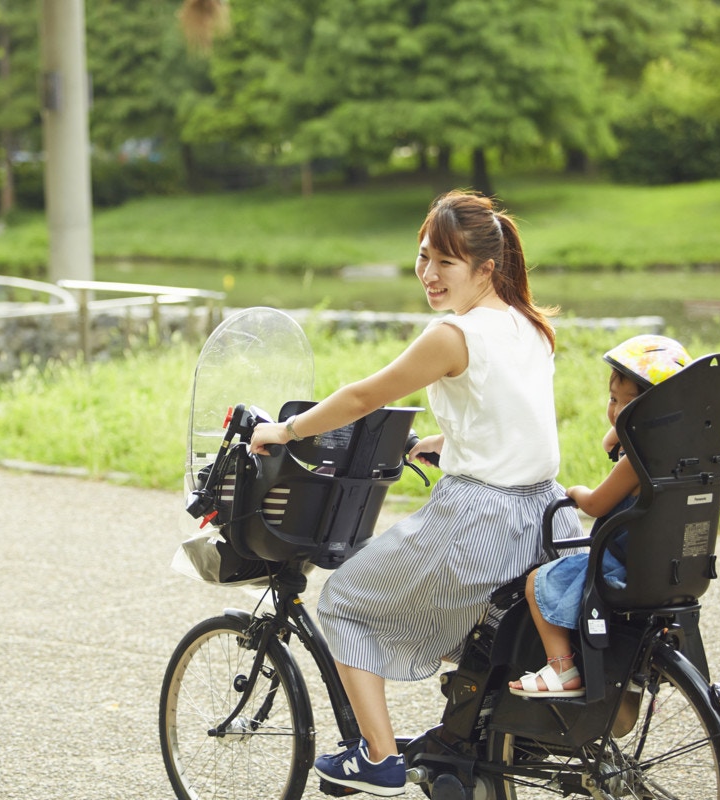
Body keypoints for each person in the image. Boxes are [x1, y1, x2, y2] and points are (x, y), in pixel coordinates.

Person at [248, 189, 582, 797]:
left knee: (346, 599)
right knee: (474, 633)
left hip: (482, 523)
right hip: (545, 517)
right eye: (423, 256)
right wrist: (447, 441)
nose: (429, 273)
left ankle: (378, 758)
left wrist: (287, 430)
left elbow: (362, 397)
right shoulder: (530, 325)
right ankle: (470, 743)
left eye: (445, 262)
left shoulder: (453, 334)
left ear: (486, 268)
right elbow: (509, 418)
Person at [508, 334, 692, 698]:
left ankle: (561, 668)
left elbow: (597, 505)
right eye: (612, 399)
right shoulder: (683, 452)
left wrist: (576, 492)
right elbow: (612, 441)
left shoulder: (636, 462)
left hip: (624, 566)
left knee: (536, 582)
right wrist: (624, 424)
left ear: (657, 407)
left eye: (629, 403)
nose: (617, 410)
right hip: (673, 566)